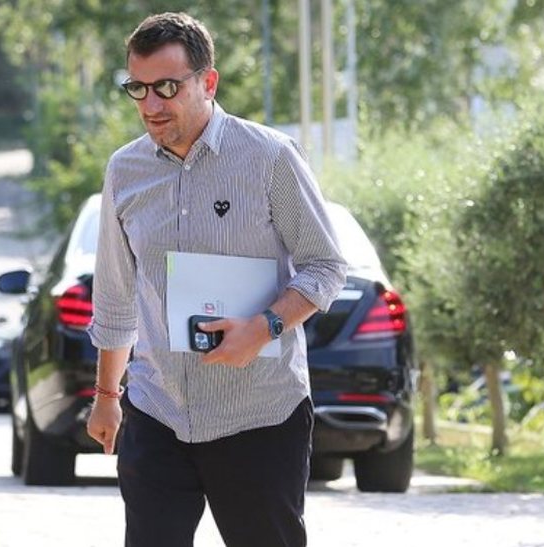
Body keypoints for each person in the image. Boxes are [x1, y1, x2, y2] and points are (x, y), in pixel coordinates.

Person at [86, 12, 347, 547]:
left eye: (167, 87)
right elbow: (115, 295)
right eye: (138, 88)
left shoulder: (271, 157)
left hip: (259, 416)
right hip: (157, 411)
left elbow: (325, 264)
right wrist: (107, 395)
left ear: (208, 82)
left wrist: (265, 326)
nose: (151, 105)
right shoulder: (124, 171)